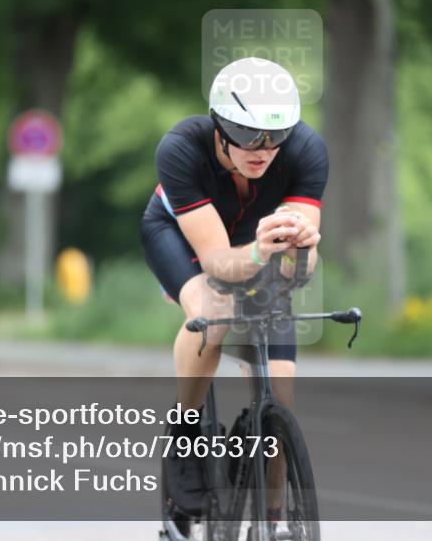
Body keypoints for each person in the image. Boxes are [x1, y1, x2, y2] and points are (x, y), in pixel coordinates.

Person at [140, 57, 328, 517]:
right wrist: (261, 253)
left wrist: (302, 251)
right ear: (219, 126)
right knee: (215, 310)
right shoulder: (181, 147)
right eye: (247, 134)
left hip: (252, 241)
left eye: (276, 134)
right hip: (182, 235)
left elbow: (297, 272)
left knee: (281, 392)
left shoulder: (306, 150)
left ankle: (274, 514)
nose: (262, 148)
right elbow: (219, 263)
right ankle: (185, 433)